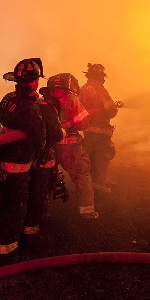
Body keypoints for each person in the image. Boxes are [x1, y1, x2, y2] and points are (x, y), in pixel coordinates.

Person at [0, 58, 47, 261]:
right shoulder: (30, 106)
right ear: (33, 82)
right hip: (15, 166)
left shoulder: (7, 98)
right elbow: (39, 138)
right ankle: (6, 248)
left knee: (6, 204)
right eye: (37, 80)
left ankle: (0, 241)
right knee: (14, 208)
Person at [40, 73, 99, 220]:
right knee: (81, 175)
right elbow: (83, 123)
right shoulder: (72, 99)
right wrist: (71, 122)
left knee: (45, 177)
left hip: (49, 146)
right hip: (70, 146)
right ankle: (87, 210)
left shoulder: (43, 101)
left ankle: (41, 211)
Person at [22, 74, 66, 239]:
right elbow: (54, 134)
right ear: (56, 92)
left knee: (36, 191)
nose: (66, 98)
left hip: (36, 157)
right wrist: (62, 132)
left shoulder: (42, 103)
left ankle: (34, 220)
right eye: (64, 93)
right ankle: (31, 228)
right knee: (39, 192)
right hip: (42, 158)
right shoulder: (48, 107)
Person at [79, 63, 120, 194]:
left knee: (89, 156)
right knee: (102, 157)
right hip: (101, 130)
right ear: (101, 77)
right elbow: (110, 111)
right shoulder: (101, 89)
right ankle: (99, 185)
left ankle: (89, 183)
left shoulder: (83, 88)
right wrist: (114, 108)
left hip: (87, 130)